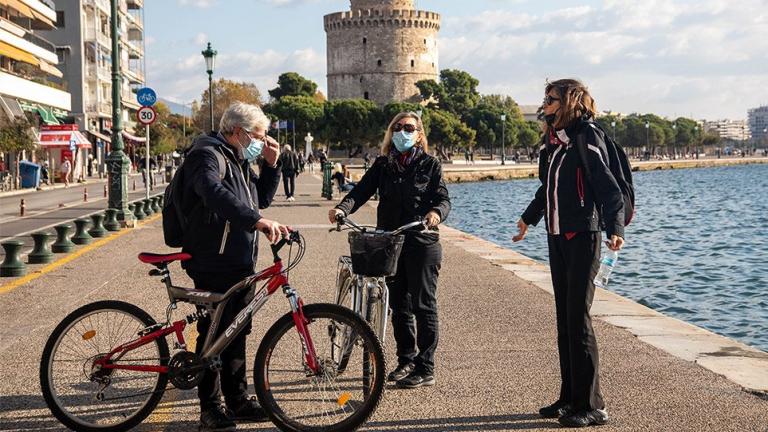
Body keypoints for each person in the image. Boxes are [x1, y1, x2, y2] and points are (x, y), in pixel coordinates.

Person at [512, 79, 625, 428]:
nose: (544, 104)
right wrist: (527, 220)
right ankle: (569, 397)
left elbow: (609, 187)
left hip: (583, 235)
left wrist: (615, 228)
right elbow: (547, 188)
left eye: (551, 99)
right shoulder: (553, 144)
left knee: (579, 319)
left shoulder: (587, 136)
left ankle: (593, 405)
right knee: (564, 319)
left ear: (569, 101)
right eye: (544, 99)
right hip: (557, 236)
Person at [179, 102, 288, 432]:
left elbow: (259, 201)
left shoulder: (239, 159)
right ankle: (210, 408)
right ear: (240, 132)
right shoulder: (207, 155)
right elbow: (212, 193)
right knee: (214, 333)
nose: (263, 141)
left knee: (237, 328)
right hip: (213, 258)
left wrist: (271, 166)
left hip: (239, 259)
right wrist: (256, 221)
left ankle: (237, 399)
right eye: (260, 135)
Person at [328, 111, 451, 389]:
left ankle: (425, 366)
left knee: (423, 305)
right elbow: (361, 191)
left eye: (409, 127)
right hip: (390, 243)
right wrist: (341, 209)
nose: (402, 132)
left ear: (419, 134)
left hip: (421, 242)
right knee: (399, 306)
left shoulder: (430, 164)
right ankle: (406, 358)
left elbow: (443, 198)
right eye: (398, 127)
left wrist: (435, 214)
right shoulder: (384, 164)